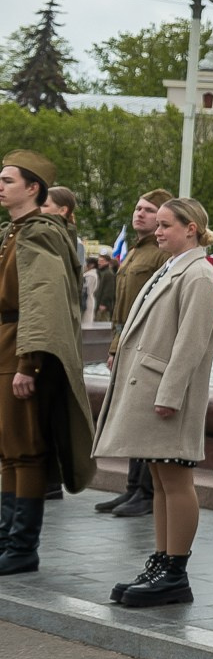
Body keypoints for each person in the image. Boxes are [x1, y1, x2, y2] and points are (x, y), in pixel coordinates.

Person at [94, 199, 213, 607]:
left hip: (169, 395)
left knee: (176, 479)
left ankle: (174, 571)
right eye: (159, 225)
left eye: (167, 225)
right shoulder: (173, 267)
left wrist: (169, 394)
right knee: (161, 479)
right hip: (152, 389)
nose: (159, 231)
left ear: (191, 228)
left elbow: (191, 343)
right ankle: (162, 561)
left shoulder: (199, 275)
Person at [0, 153, 95, 576]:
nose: (0, 186)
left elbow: (43, 301)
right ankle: (6, 538)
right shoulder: (15, 232)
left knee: (25, 451)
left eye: (8, 180)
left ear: (32, 188)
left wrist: (28, 363)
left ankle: (22, 546)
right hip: (7, 345)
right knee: (8, 450)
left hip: (20, 350)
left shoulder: (39, 233)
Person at [99, 190, 173, 519]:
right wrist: (115, 346)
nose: (139, 213)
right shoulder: (133, 251)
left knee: (143, 417)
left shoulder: (160, 254)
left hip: (146, 344)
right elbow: (121, 307)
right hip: (126, 340)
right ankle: (133, 487)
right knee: (132, 414)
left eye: (148, 210)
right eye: (138, 207)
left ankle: (146, 491)